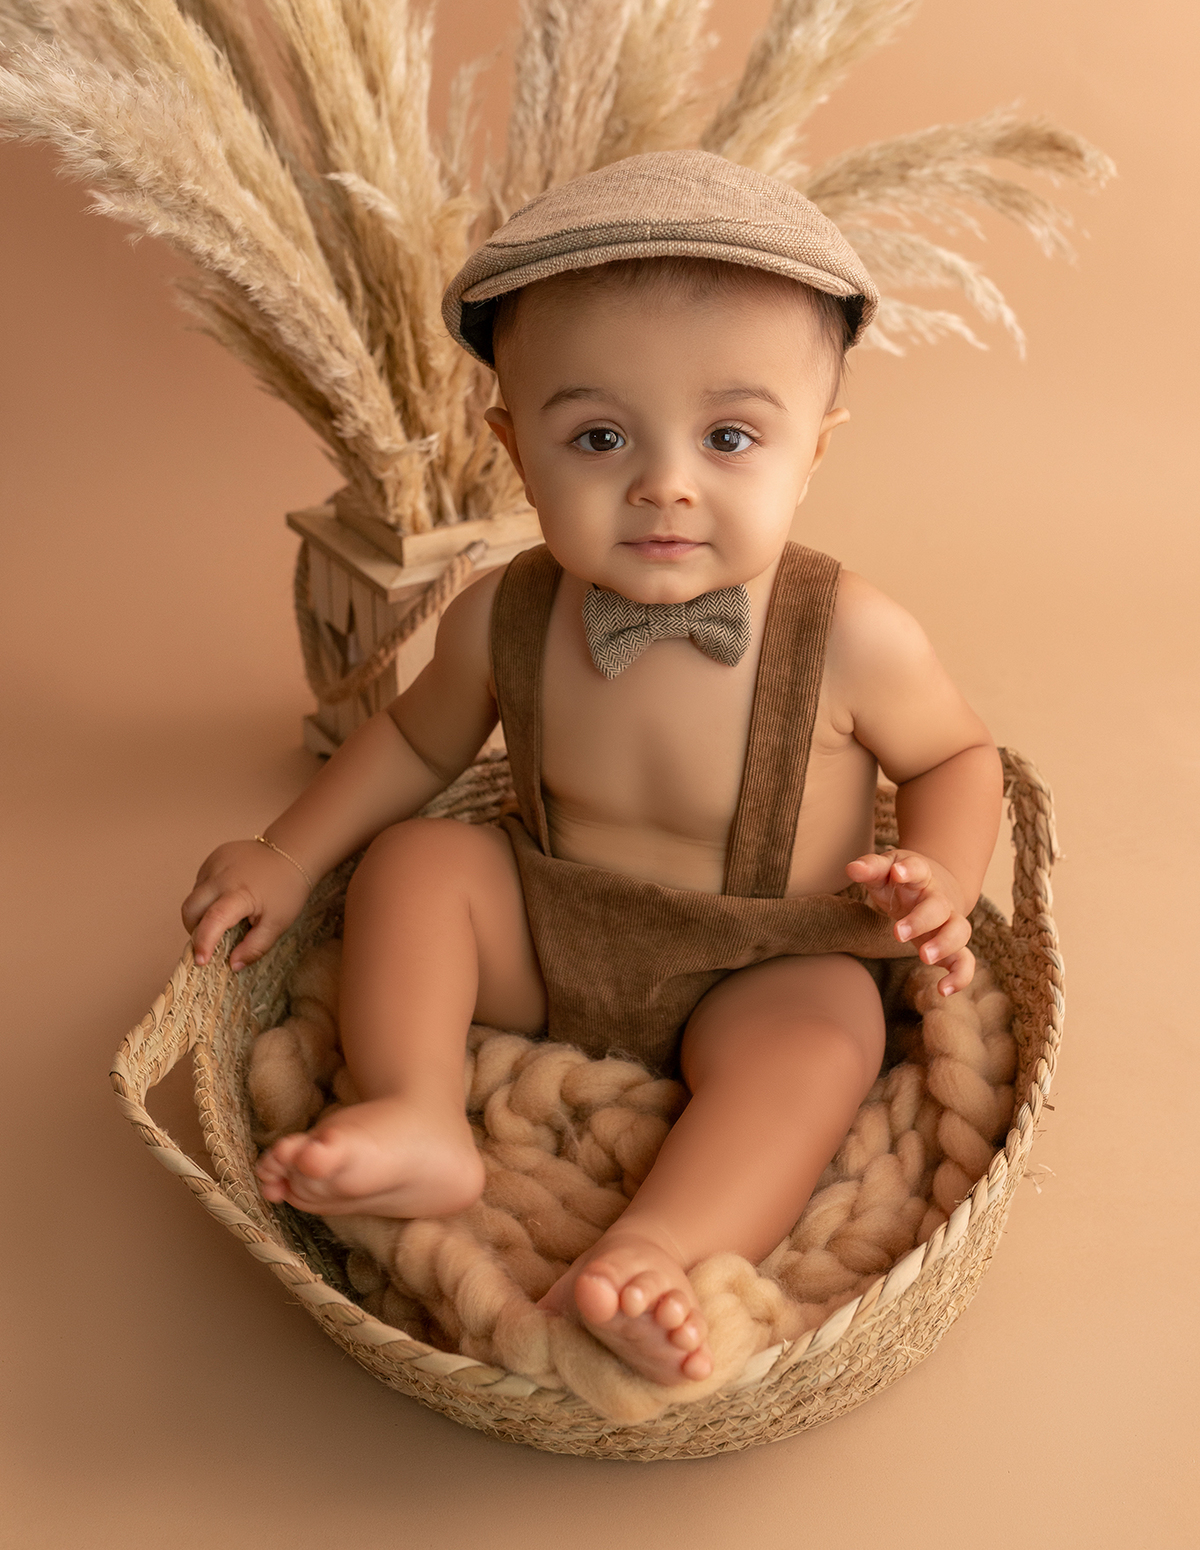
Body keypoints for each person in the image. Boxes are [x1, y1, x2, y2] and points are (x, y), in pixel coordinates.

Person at [182, 151, 1003, 1388]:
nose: (664, 482)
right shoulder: (502, 616)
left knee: (828, 1032)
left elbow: (957, 752)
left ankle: (653, 1254)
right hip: (552, 926)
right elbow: (413, 744)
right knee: (417, 863)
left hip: (762, 955)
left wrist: (942, 868)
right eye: (600, 435)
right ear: (518, 447)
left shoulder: (850, 635)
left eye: (730, 436)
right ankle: (417, 1110)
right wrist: (288, 852)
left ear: (815, 450)